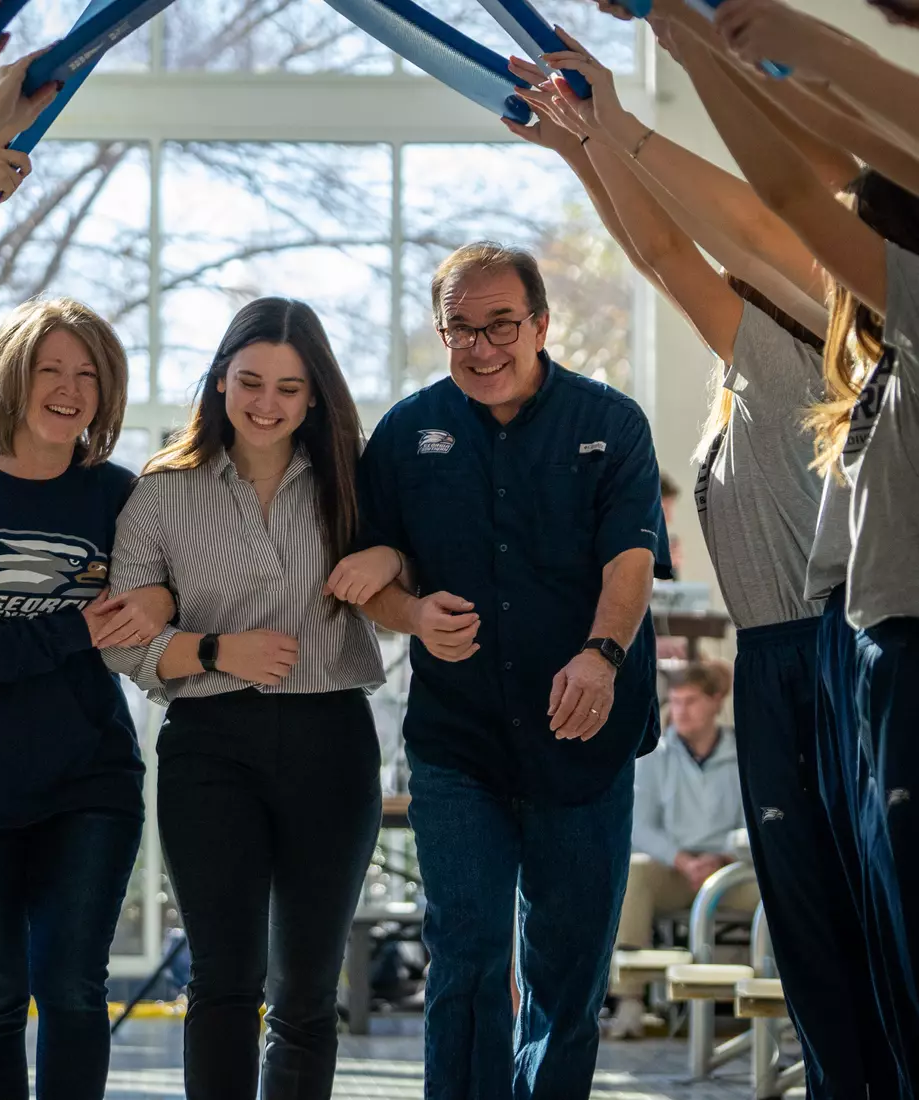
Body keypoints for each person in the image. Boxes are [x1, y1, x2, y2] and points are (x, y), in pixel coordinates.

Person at [510, 23, 902, 1090]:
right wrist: (580, 146)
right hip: (770, 658)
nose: (722, 271)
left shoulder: (806, 336)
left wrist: (611, 126)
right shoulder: (746, 372)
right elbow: (658, 253)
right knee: (809, 917)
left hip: (826, 644)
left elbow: (691, 241)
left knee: (857, 913)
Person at [346, 242, 670, 1098]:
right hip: (459, 741)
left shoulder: (611, 422)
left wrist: (601, 655)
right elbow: (372, 575)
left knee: (567, 969)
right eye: (460, 328)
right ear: (439, 331)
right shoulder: (405, 434)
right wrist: (412, 616)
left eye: (500, 326)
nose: (481, 347)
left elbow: (631, 560)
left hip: (583, 731)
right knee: (465, 954)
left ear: (540, 325)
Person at [102, 297, 391, 1100]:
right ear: (220, 380)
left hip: (331, 740)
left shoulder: (357, 480)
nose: (267, 403)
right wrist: (214, 650)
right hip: (208, 746)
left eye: (289, 388)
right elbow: (120, 639)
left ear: (314, 395)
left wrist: (392, 556)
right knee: (224, 979)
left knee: (306, 991)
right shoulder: (162, 491)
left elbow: (424, 565)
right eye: (250, 381)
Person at [0, 298, 171, 1100]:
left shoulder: (118, 497)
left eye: (87, 374)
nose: (68, 389)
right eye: (49, 368)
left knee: (74, 991)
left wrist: (161, 602)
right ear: (10, 378)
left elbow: (165, 600)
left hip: (87, 784)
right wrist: (72, 629)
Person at [608, 664, 757, 1039]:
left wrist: (722, 858)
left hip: (730, 871)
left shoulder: (745, 752)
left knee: (779, 891)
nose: (680, 711)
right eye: (675, 702)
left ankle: (777, 1003)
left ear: (716, 702)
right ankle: (629, 1002)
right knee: (634, 873)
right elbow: (638, 824)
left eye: (691, 701)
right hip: (673, 869)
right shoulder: (654, 753)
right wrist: (682, 859)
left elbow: (755, 824)